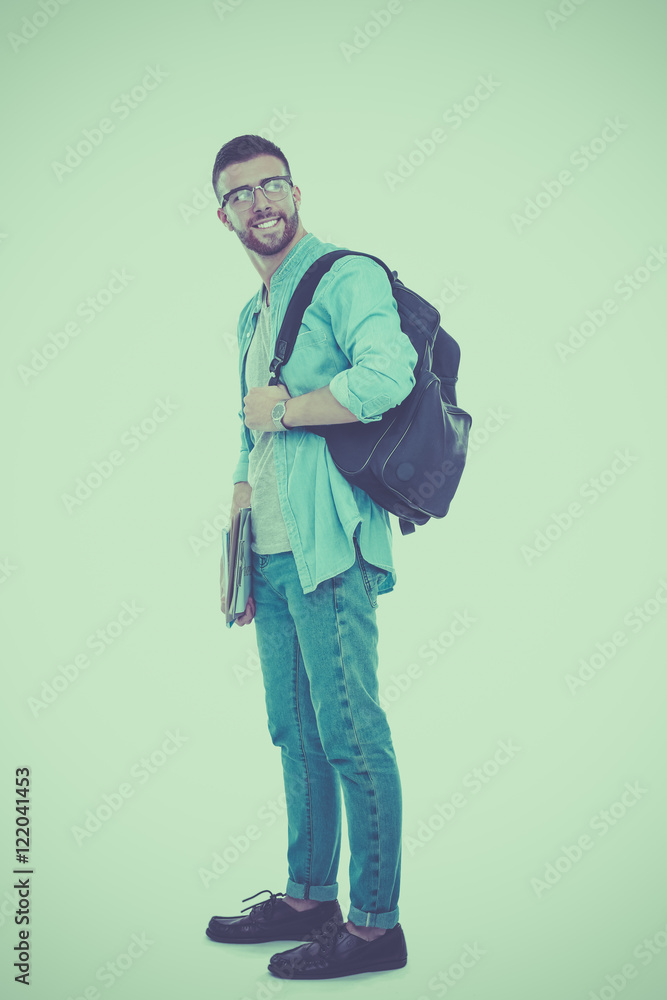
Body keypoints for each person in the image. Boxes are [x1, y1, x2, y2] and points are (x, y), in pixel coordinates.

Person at [205, 134, 418, 980]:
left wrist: (287, 408)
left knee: (350, 735)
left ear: (296, 190)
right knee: (293, 731)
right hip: (272, 552)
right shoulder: (252, 314)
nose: (261, 203)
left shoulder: (345, 277)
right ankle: (307, 895)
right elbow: (246, 428)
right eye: (241, 194)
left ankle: (374, 927)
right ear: (220, 214)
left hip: (331, 549)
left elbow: (388, 373)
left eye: (272, 185)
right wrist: (237, 529)